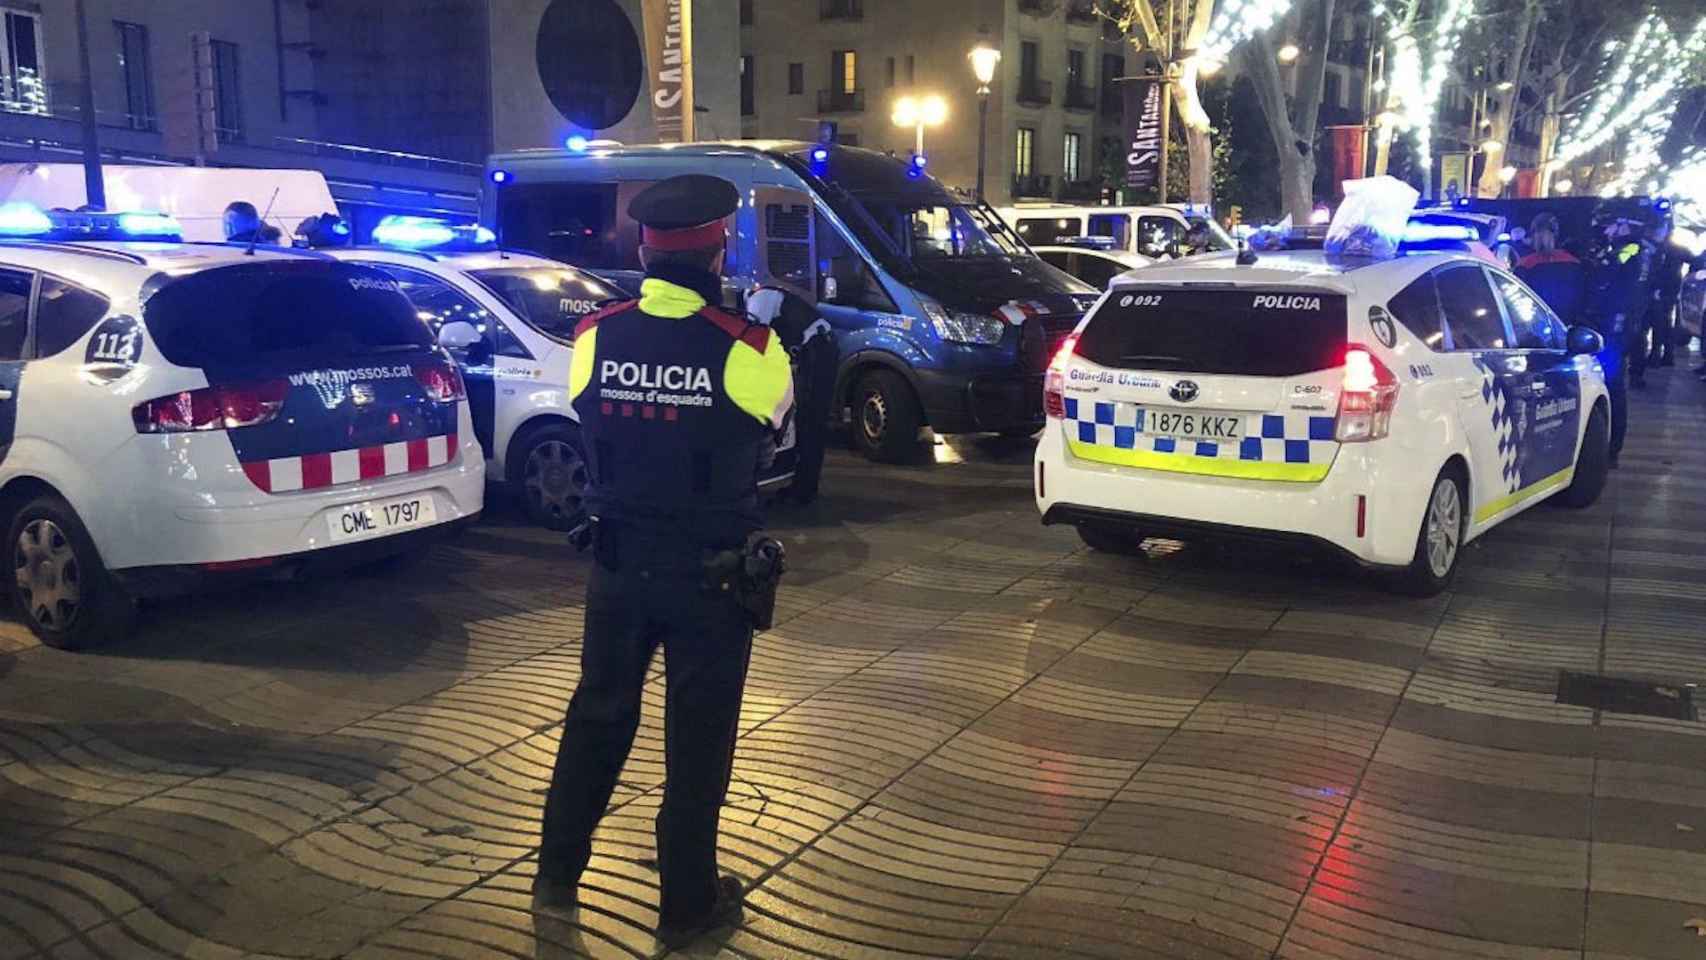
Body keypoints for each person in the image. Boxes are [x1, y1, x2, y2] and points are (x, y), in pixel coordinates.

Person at [535, 174, 793, 949]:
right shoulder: (751, 346)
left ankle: (556, 875)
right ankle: (686, 902)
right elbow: (774, 430)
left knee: (598, 714)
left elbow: (589, 414)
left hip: (616, 566)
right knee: (698, 736)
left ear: (644, 250)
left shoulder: (596, 335)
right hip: (710, 576)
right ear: (718, 249)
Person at [746, 284, 835, 505]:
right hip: (819, 348)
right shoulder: (770, 297)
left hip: (817, 351)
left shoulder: (760, 299)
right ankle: (803, 486)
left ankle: (803, 491)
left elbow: (756, 340)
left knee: (810, 420)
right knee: (810, 420)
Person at [1581, 219, 1647, 467]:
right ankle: (1608, 446)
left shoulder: (1628, 251)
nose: (1608, 231)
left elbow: (1607, 281)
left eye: (1613, 227)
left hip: (1613, 327)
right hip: (1614, 325)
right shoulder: (1629, 251)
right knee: (1610, 385)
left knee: (1612, 385)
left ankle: (1611, 449)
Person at [1516, 214, 1586, 325]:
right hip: (1567, 325)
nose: (1542, 237)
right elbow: (1581, 299)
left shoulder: (1525, 264)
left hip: (1537, 325)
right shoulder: (1573, 263)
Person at [1625, 221, 1660, 390]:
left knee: (1636, 336)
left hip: (1637, 299)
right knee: (1637, 337)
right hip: (1638, 298)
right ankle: (1635, 373)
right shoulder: (1650, 249)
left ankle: (1635, 373)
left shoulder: (1637, 249)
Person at [1647, 222, 1686, 369]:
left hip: (1662, 292)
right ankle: (1666, 355)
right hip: (1669, 291)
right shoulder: (1676, 249)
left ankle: (1657, 356)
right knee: (1664, 324)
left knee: (1659, 324)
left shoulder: (1661, 249)